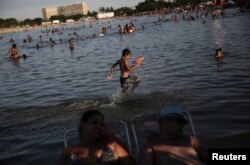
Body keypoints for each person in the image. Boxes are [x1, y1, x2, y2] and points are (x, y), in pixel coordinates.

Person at [59, 109, 136, 165]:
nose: (98, 127)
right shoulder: (69, 152)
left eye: (101, 124)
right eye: (94, 123)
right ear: (83, 124)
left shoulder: (111, 141)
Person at [139, 106, 207, 165]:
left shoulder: (190, 140)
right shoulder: (151, 147)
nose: (182, 125)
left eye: (183, 123)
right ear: (163, 122)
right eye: (178, 121)